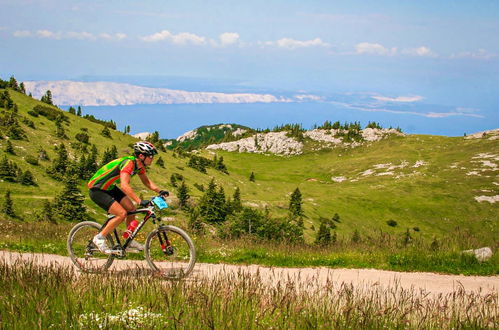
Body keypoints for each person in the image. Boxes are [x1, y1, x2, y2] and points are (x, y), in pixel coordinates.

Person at [88, 141, 169, 254]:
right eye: (150, 156)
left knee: (131, 209)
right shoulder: (129, 163)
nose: (152, 158)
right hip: (97, 189)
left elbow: (146, 182)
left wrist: (159, 190)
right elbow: (124, 185)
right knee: (122, 214)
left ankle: (128, 240)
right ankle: (100, 237)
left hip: (109, 187)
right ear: (141, 156)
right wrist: (139, 201)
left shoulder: (139, 166)